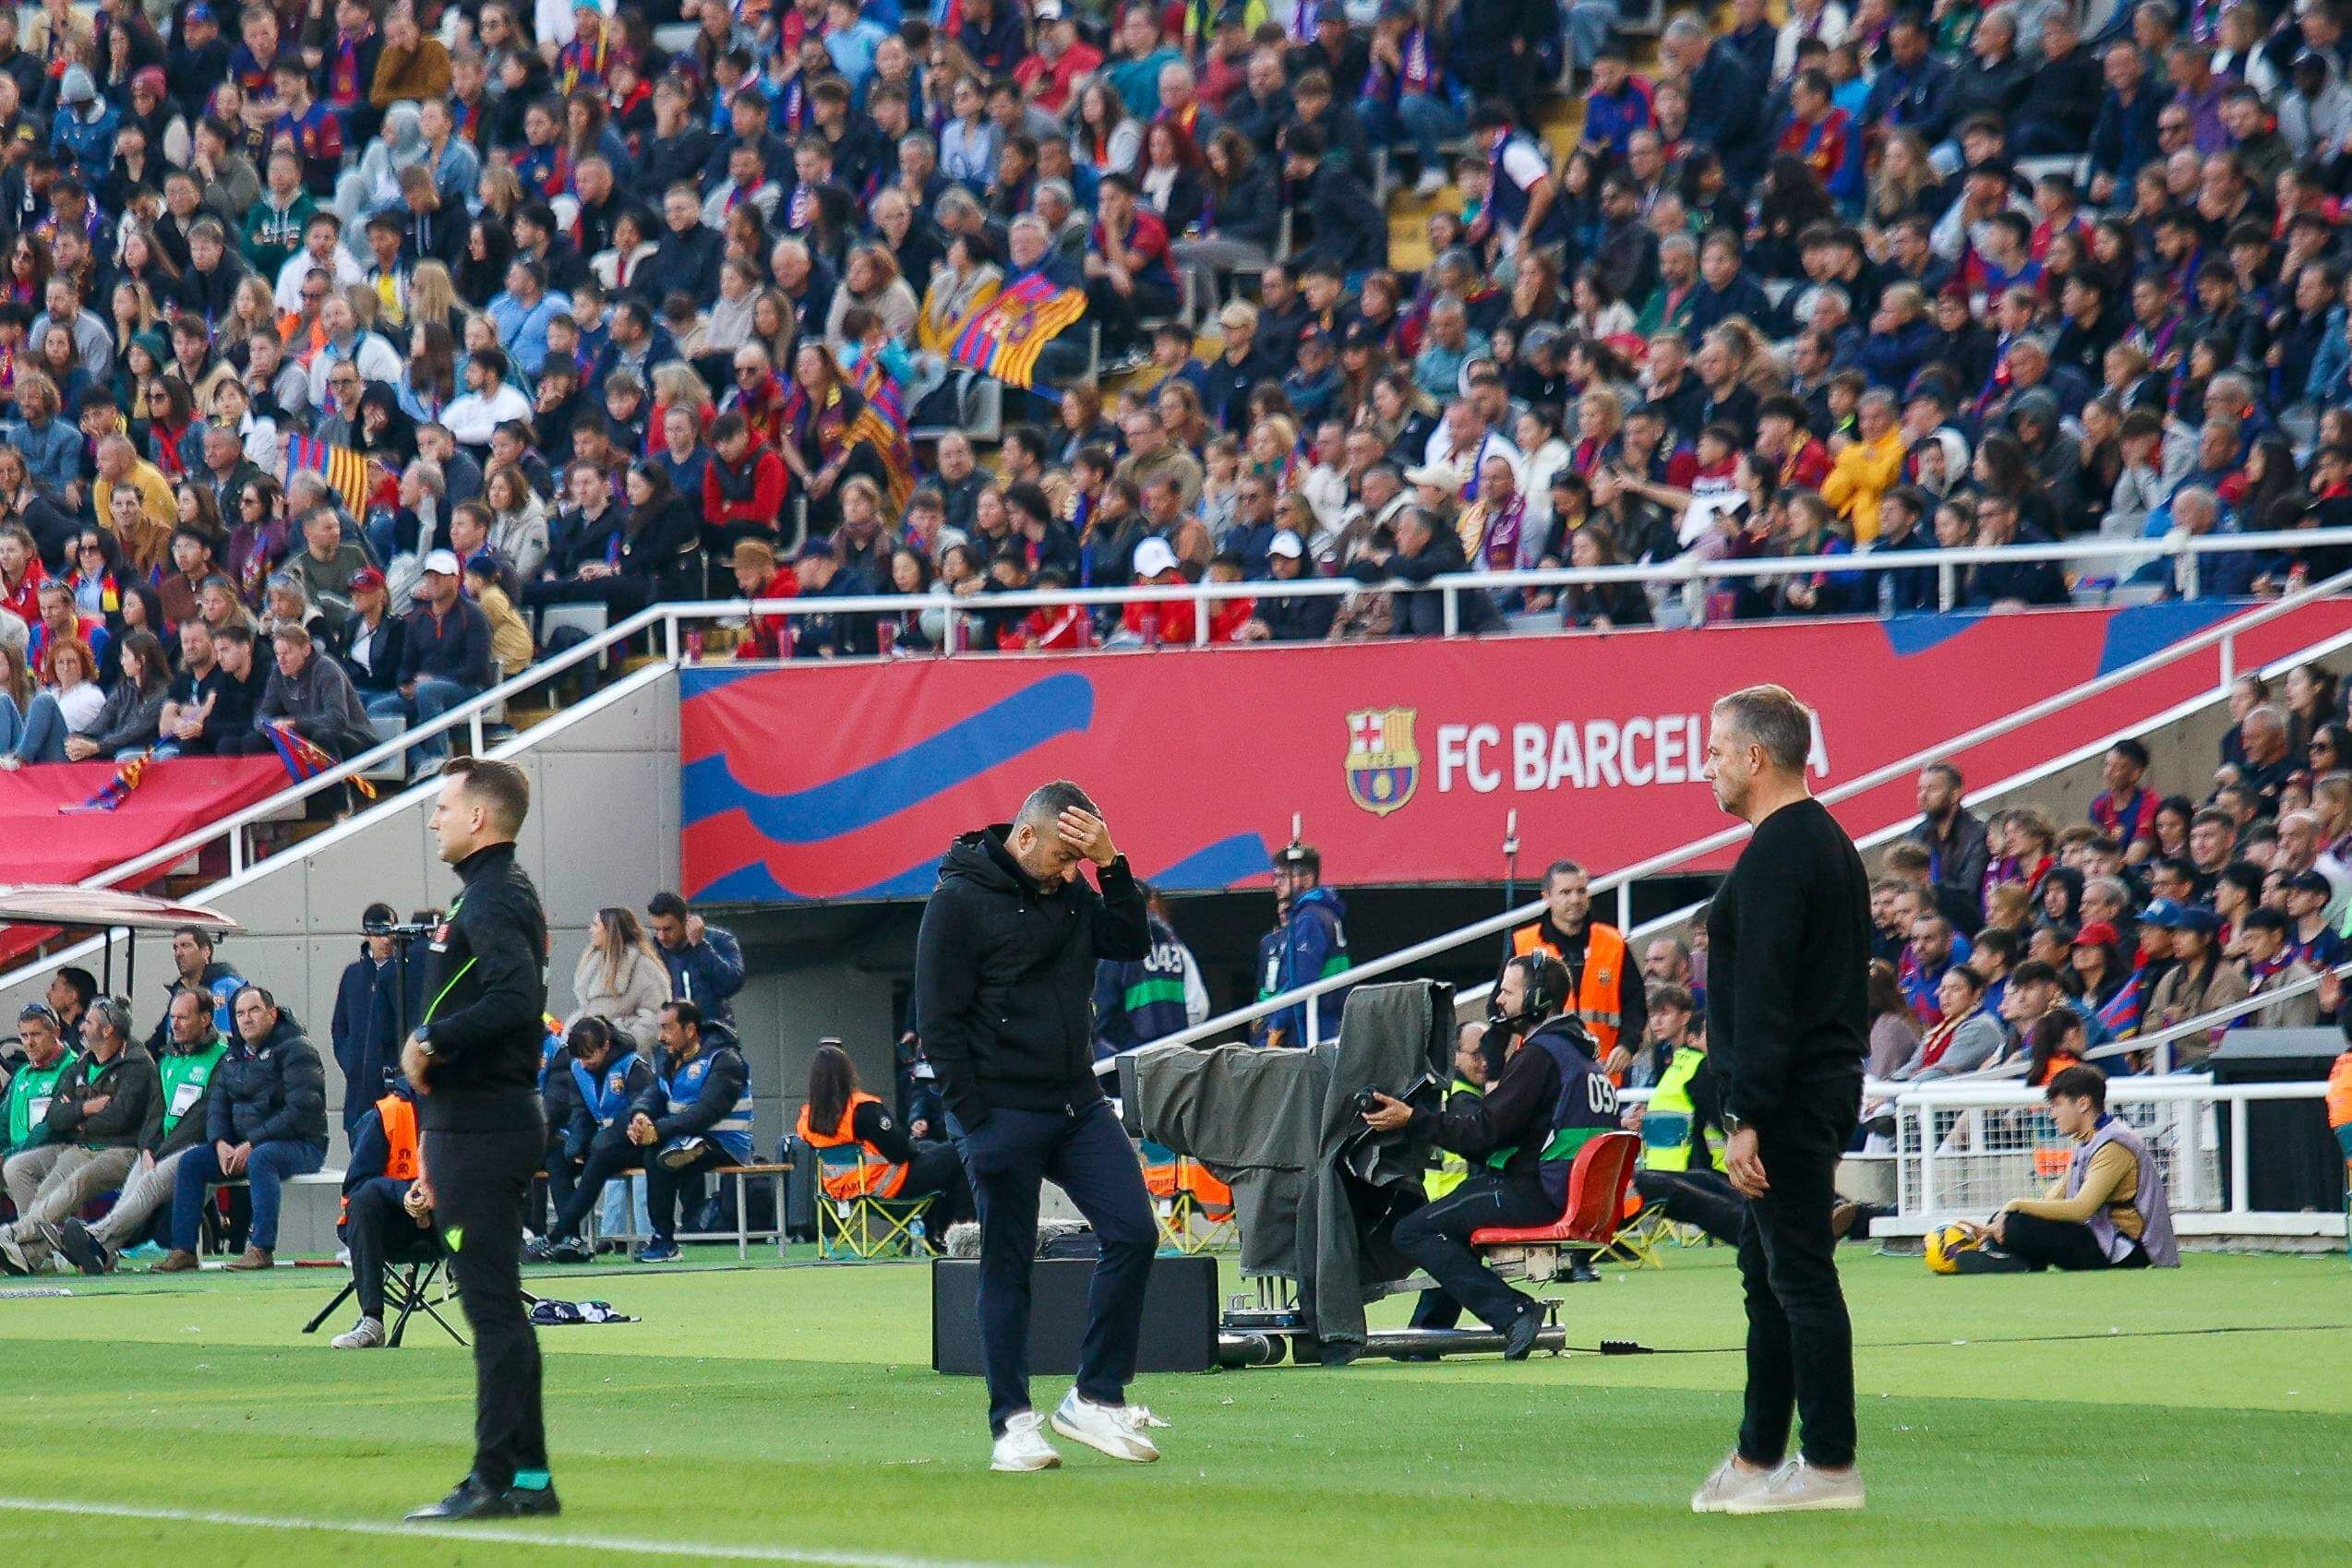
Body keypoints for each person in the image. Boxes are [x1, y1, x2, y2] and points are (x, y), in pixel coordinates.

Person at [911, 780, 1161, 1473]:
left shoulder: (1076, 891)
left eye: (1078, 861)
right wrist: (975, 1124)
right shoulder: (956, 902)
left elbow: (1132, 940)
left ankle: (1094, 1397)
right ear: (1025, 837)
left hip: (1074, 1102)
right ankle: (1012, 1424)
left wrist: (1112, 866)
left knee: (1135, 1231)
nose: (1067, 871)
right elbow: (937, 1023)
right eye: (1062, 855)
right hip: (1000, 1110)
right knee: (1008, 1262)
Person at [1690, 684, 1868, 1516]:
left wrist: (1745, 1114)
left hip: (1788, 1097)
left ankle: (1830, 1465)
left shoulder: (1776, 854)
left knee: (1796, 1276)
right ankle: (1758, 1454)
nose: (1709, 766)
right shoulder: (1829, 842)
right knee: (1768, 1275)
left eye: (1717, 750)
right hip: (1818, 1085)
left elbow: (1764, 995)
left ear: (1756, 756)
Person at [397, 757, 556, 1522]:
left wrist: (431, 1037)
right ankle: (529, 1480)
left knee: (490, 1309)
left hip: (485, 1125)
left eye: (443, 806)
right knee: (496, 1308)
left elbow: (517, 994)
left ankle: (494, 1478)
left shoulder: (491, 898)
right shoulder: (496, 892)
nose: (434, 819)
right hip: (479, 1123)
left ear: (479, 818)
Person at [1366, 952, 1618, 1352]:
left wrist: (1412, 1119)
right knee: (1454, 1219)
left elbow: (1483, 1132)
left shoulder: (1540, 1055)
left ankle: (1514, 1312)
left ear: (1537, 997)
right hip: (1561, 1190)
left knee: (1412, 1230)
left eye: (1507, 991)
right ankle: (1425, 1338)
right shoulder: (1577, 1051)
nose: (1498, 1000)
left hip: (1536, 1192)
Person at [53, 987, 228, 1275]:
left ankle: (96, 1237)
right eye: (173, 1017)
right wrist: (148, 1147)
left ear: (206, 1019)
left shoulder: (221, 1058)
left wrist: (159, 1152)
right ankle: (104, 1252)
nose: (176, 1024)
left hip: (200, 1145)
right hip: (163, 1147)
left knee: (149, 1183)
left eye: (184, 1017)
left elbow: (202, 1117)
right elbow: (155, 1113)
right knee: (135, 1181)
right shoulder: (168, 1059)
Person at [161, 985, 330, 1273]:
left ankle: (262, 1249)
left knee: (262, 1158)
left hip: (301, 1144)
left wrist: (251, 1143)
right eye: (240, 1013)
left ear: (272, 1014)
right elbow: (217, 1107)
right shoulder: (233, 1055)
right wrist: (220, 1142)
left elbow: (300, 1111)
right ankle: (184, 1250)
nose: (247, 1019)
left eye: (254, 1011)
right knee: (191, 1163)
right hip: (241, 1146)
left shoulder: (298, 1050)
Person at [1953, 1065, 2178, 1271]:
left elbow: (2081, 1209)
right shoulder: (2089, 1140)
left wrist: (2016, 1205)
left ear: (2083, 1104)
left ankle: (2017, 1260)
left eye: (2057, 1105)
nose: (2052, 1114)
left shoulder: (2113, 1146)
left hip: (2122, 1250)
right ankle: (2014, 1259)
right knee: (2006, 1219)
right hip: (2101, 1237)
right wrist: (2003, 1217)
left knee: (2016, 1222)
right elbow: (2055, 1196)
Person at [0, 996, 156, 1275]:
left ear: (108, 1030)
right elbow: (55, 1116)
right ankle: (28, 1255)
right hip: (81, 1146)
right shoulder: (84, 1063)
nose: (82, 1028)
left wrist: (77, 1118)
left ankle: (12, 1236)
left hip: (120, 1150)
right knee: (45, 1188)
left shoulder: (137, 1065)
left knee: (75, 1184)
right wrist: (86, 1109)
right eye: (24, 1035)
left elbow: (121, 1118)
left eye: (89, 1022)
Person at [795, 1041, 972, 1248]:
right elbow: (900, 1152)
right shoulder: (864, 1109)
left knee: (931, 1148)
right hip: (885, 1187)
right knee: (958, 1154)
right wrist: (915, 1149)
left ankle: (924, 1236)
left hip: (841, 1191)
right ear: (847, 1073)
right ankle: (960, 1236)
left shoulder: (807, 1117)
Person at [620, 999, 752, 1264]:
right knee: (658, 1153)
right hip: (686, 1136)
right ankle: (664, 1238)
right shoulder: (670, 1061)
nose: (661, 1036)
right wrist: (641, 1117)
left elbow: (706, 1112)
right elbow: (652, 1095)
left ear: (690, 1030)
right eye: (660, 1028)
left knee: (662, 1153)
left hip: (725, 1143)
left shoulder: (725, 1059)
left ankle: (664, 1239)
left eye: (668, 1028)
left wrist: (657, 1130)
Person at [524, 1015, 653, 1264]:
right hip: (601, 1142)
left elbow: (642, 1107)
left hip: (635, 1140)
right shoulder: (578, 1069)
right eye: (580, 1057)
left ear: (606, 1046)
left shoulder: (632, 1066)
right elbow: (580, 1112)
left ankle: (556, 1235)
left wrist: (601, 1140)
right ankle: (570, 1239)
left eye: (589, 1055)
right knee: (557, 1158)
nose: (585, 1063)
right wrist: (577, 1144)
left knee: (597, 1162)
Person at [1511, 858, 1647, 1079]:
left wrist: (1627, 1045)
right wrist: (1495, 1073)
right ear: (1547, 897)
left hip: (1601, 1077)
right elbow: (1501, 1009)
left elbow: (1636, 1004)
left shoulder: (1613, 942)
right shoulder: (1524, 944)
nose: (1575, 899)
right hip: (1542, 1074)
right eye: (1565, 892)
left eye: (1581, 891)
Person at [328, 1083, 439, 1348]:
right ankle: (372, 1321)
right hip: (394, 1233)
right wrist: (404, 1194)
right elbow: (357, 1185)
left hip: (453, 1234)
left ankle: (497, 1317)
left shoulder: (477, 1108)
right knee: (362, 1202)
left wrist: (436, 1197)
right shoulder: (389, 1112)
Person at [1626, 1010, 1743, 1245]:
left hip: (1659, 1167)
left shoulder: (1675, 1068)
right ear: (1693, 1037)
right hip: (1698, 1169)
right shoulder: (1701, 1069)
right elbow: (1723, 1122)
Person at [1091, 882, 1210, 1059]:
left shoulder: (1117, 945)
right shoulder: (1174, 944)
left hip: (1133, 1054)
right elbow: (1198, 1007)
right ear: (1148, 902)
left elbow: (1104, 1011)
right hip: (1175, 1050)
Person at [1251, 842, 1351, 1047]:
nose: (1275, 884)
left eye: (1281, 877)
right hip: (1326, 1025)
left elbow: (1302, 980)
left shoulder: (1310, 918)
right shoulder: (1322, 913)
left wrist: (1276, 1025)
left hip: (1313, 1030)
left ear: (1305, 878)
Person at [645, 891, 745, 1027]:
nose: (661, 937)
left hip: (710, 1033)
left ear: (685, 922)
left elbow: (731, 983)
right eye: (656, 930)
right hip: (668, 1037)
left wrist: (700, 946)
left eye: (668, 929)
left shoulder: (719, 940)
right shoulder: (651, 950)